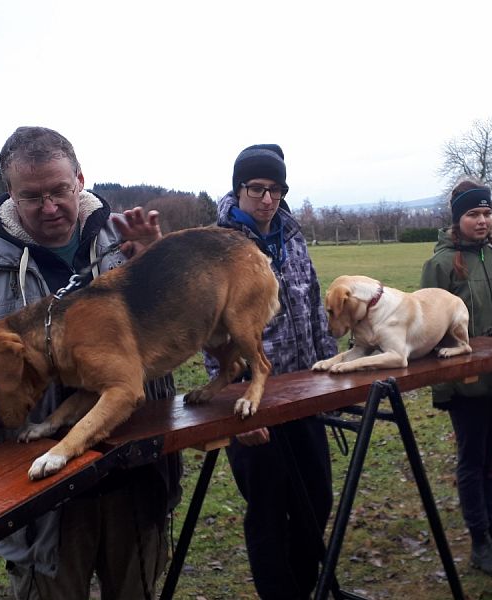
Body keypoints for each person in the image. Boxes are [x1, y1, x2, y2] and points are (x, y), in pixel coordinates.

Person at [0, 126, 182, 600]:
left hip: (135, 474)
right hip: (38, 494)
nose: (50, 207)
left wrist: (158, 263)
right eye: (32, 196)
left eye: (59, 191)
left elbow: (179, 326)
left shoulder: (123, 245)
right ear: (9, 193)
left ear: (80, 180)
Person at [203, 144, 337, 599]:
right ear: (238, 189)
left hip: (305, 392)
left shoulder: (292, 236)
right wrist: (236, 401)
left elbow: (314, 305)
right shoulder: (218, 246)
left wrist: (332, 371)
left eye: (276, 189)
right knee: (268, 509)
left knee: (316, 499)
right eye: (257, 188)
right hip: (252, 400)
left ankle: (304, 588)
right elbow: (210, 333)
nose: (267, 198)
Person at [420, 176, 492, 579]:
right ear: (458, 219)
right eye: (474, 214)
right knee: (472, 460)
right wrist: (445, 386)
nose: (483, 220)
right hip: (467, 382)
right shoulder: (439, 265)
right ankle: (479, 542)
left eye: (487, 212)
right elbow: (426, 329)